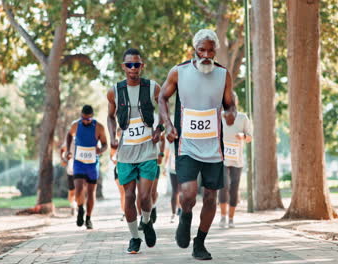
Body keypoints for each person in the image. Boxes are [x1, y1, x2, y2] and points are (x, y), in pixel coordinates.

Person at [159, 29, 237, 260]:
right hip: (186, 144)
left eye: (210, 50)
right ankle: (185, 216)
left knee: (211, 197)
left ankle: (200, 242)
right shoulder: (179, 72)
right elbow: (162, 97)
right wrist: (167, 125)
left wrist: (232, 113)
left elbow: (230, 104)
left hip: (214, 146)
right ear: (195, 50)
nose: (206, 54)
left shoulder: (224, 74)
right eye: (202, 50)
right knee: (188, 193)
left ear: (215, 51)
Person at [107, 48, 164, 254]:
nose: (133, 68)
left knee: (144, 197)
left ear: (142, 66)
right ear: (123, 67)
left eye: (137, 64)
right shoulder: (115, 90)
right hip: (125, 153)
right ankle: (134, 237)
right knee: (129, 196)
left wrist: (160, 128)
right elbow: (110, 116)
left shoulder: (153, 88)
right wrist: (112, 134)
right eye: (129, 64)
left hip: (148, 150)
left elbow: (164, 109)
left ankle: (147, 221)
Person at [65, 105, 108, 229]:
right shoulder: (76, 125)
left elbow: (105, 144)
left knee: (90, 191)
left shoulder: (99, 127)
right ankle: (80, 208)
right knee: (78, 189)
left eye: (88, 119)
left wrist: (101, 150)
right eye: (83, 118)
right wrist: (68, 151)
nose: (85, 121)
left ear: (92, 117)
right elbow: (69, 135)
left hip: (92, 164)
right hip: (78, 162)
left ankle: (88, 218)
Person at [218, 93, 252, 228]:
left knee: (234, 189)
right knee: (223, 186)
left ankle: (231, 218)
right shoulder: (219, 116)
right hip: (223, 159)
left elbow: (250, 137)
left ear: (236, 101)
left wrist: (243, 136)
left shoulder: (243, 118)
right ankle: (222, 217)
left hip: (237, 159)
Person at [60, 139, 76, 215]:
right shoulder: (71, 138)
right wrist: (63, 159)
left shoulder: (86, 135)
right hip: (71, 169)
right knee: (72, 190)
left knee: (82, 188)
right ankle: (73, 206)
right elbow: (62, 149)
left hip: (83, 167)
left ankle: (80, 206)